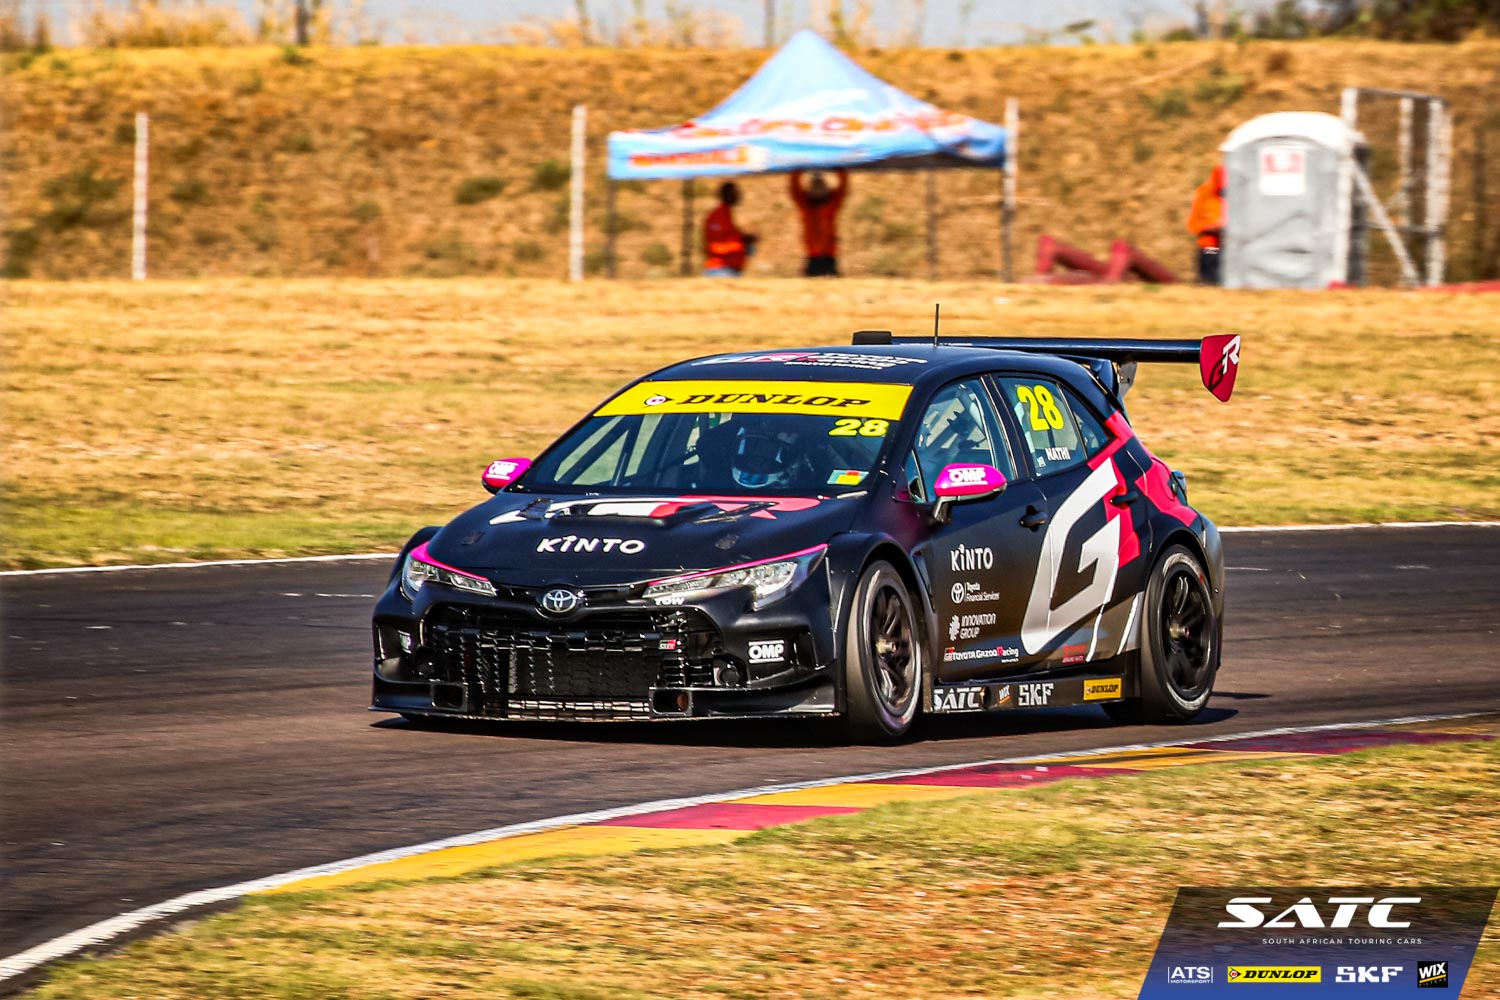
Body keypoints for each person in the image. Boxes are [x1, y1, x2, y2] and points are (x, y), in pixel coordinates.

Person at [789, 168, 849, 277]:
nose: (818, 193)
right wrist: (798, 169)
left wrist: (839, 169)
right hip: (815, 256)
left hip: (828, 255)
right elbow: (794, 189)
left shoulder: (831, 206)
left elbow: (843, 187)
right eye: (816, 189)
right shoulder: (806, 206)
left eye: (820, 189)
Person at [703, 182, 757, 277]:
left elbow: (728, 237)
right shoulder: (718, 216)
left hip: (730, 270)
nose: (738, 194)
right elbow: (716, 246)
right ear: (727, 194)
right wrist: (742, 243)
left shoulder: (726, 214)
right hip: (721, 271)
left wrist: (744, 239)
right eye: (735, 192)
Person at [1187, 164, 1226, 285]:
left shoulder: (1235, 195)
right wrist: (1213, 227)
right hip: (1211, 247)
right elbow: (1193, 225)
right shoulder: (1204, 194)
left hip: (1231, 248)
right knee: (1210, 278)